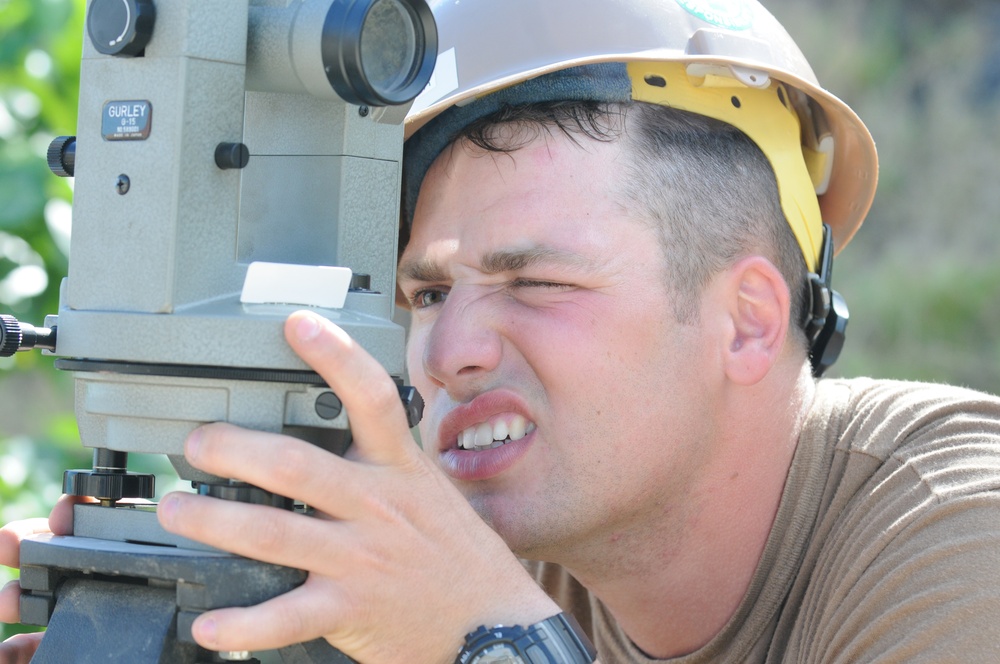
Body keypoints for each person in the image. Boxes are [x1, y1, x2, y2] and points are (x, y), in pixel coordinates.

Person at [4, 0, 1000, 662]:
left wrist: (492, 640)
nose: (448, 352)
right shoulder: (466, 547)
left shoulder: (956, 536)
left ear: (746, 322)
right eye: (428, 293)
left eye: (535, 281)